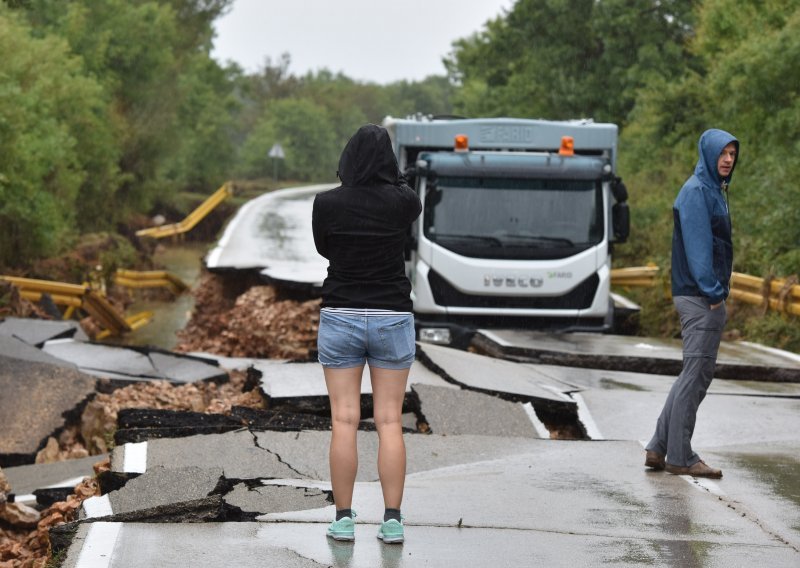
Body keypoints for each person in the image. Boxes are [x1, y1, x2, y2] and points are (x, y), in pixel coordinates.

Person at [312, 124, 422, 543]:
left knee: (343, 419)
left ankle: (343, 519)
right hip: (392, 314)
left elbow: (324, 248)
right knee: (389, 420)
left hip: (341, 313)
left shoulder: (327, 203)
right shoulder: (402, 203)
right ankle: (392, 520)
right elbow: (405, 189)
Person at [645, 128, 739, 479]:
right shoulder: (698, 191)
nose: (728, 159)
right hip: (701, 297)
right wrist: (714, 294)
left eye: (732, 154)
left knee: (690, 373)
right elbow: (699, 250)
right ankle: (681, 457)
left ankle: (658, 447)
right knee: (697, 375)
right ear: (708, 154)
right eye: (722, 153)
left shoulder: (711, 190)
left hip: (698, 294)